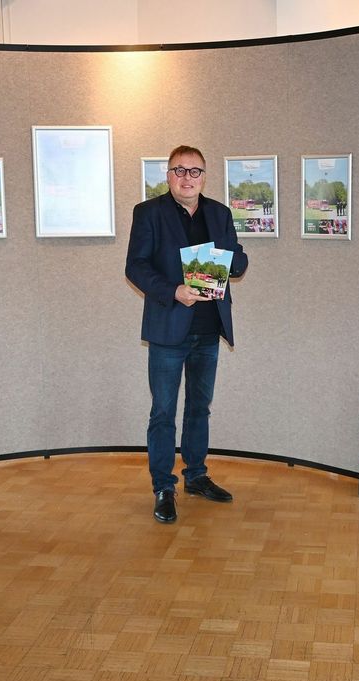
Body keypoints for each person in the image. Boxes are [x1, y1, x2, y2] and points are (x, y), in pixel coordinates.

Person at [125, 145, 248, 524]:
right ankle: (163, 486)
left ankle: (196, 475)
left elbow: (240, 262)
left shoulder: (220, 213)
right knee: (162, 413)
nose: (187, 178)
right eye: (179, 170)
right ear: (168, 175)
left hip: (208, 328)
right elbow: (136, 267)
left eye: (194, 171)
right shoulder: (148, 213)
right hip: (168, 329)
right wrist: (173, 291)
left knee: (199, 408)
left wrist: (228, 257)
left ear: (204, 177)